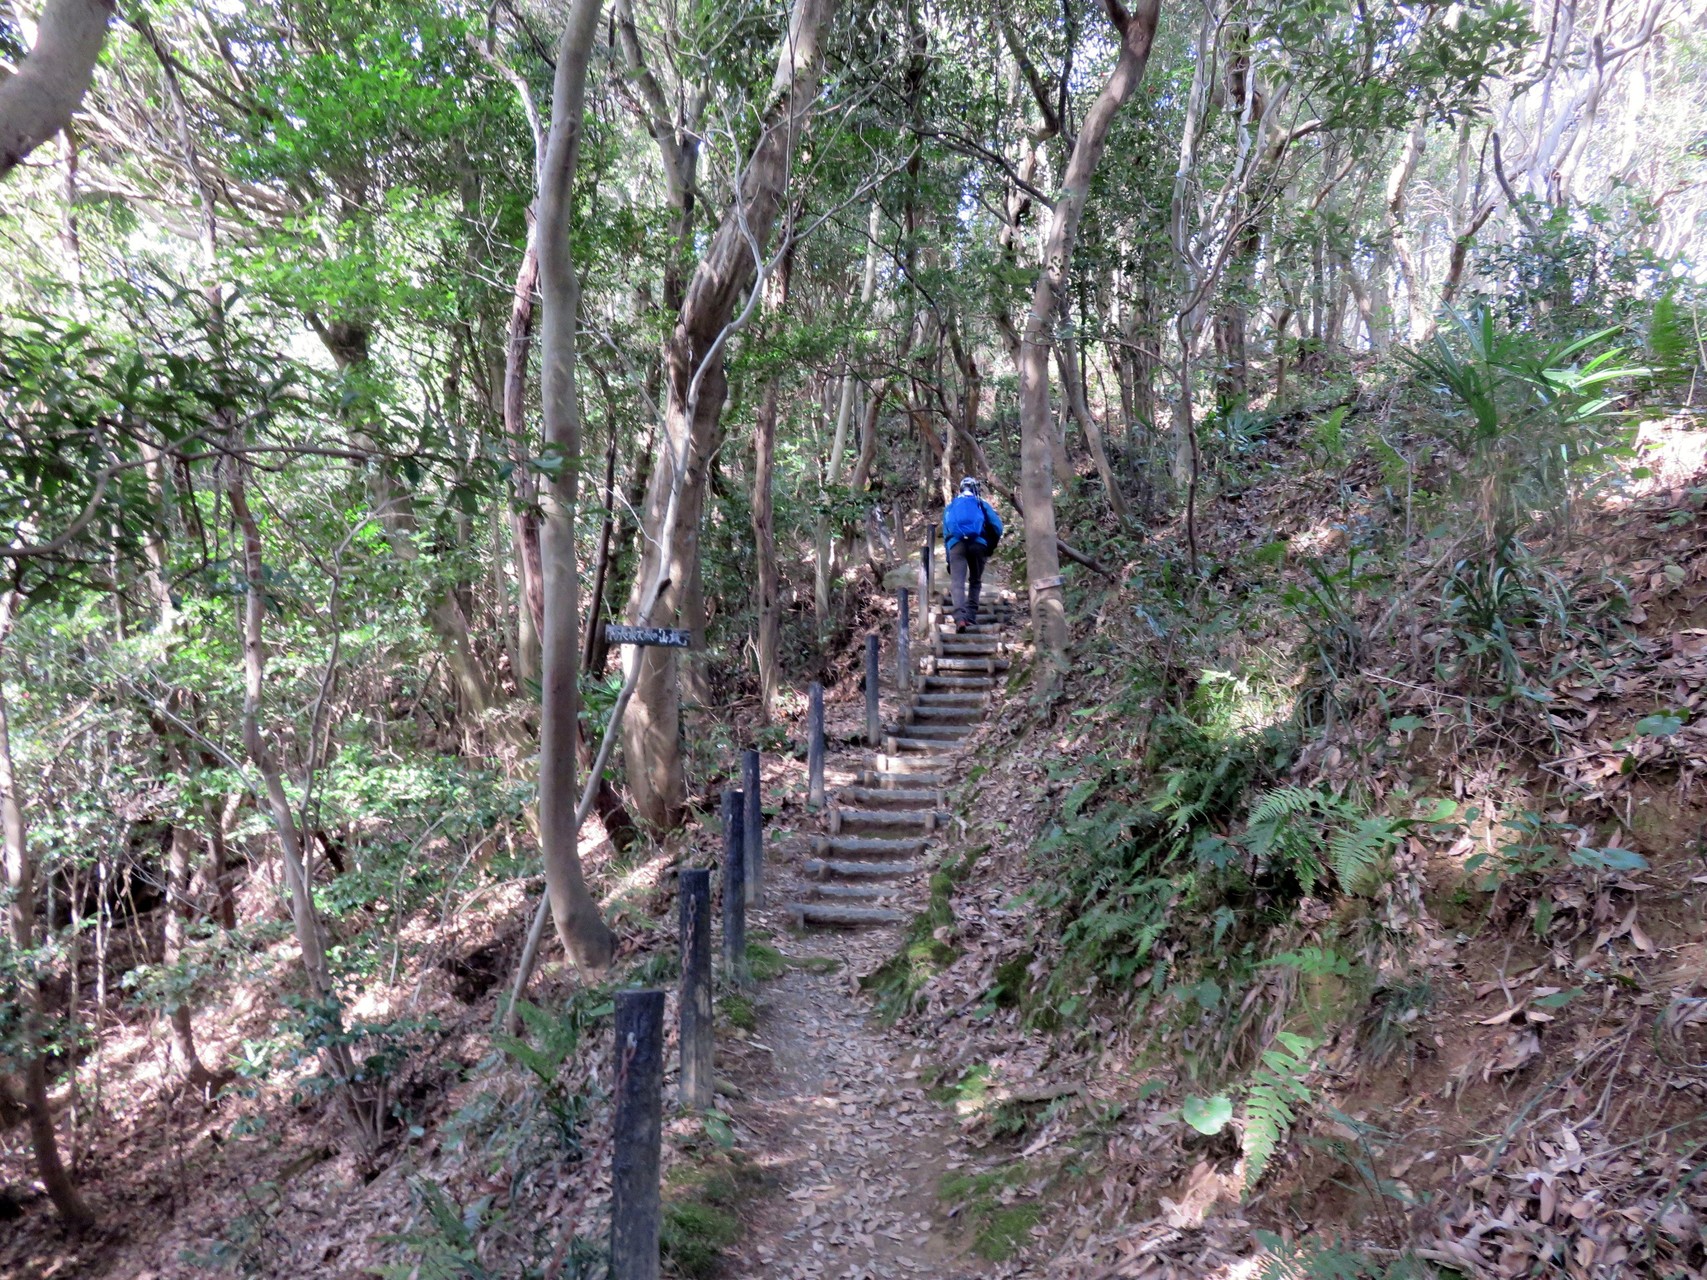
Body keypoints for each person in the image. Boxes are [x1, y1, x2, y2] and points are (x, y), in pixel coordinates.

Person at [941, 477, 1003, 632]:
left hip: (956, 545)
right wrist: (990, 545)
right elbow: (997, 527)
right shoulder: (981, 504)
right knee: (975, 581)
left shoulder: (951, 507)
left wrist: (949, 558)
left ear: (961, 489)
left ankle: (960, 619)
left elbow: (946, 533)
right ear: (975, 489)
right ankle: (970, 616)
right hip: (979, 544)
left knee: (957, 582)